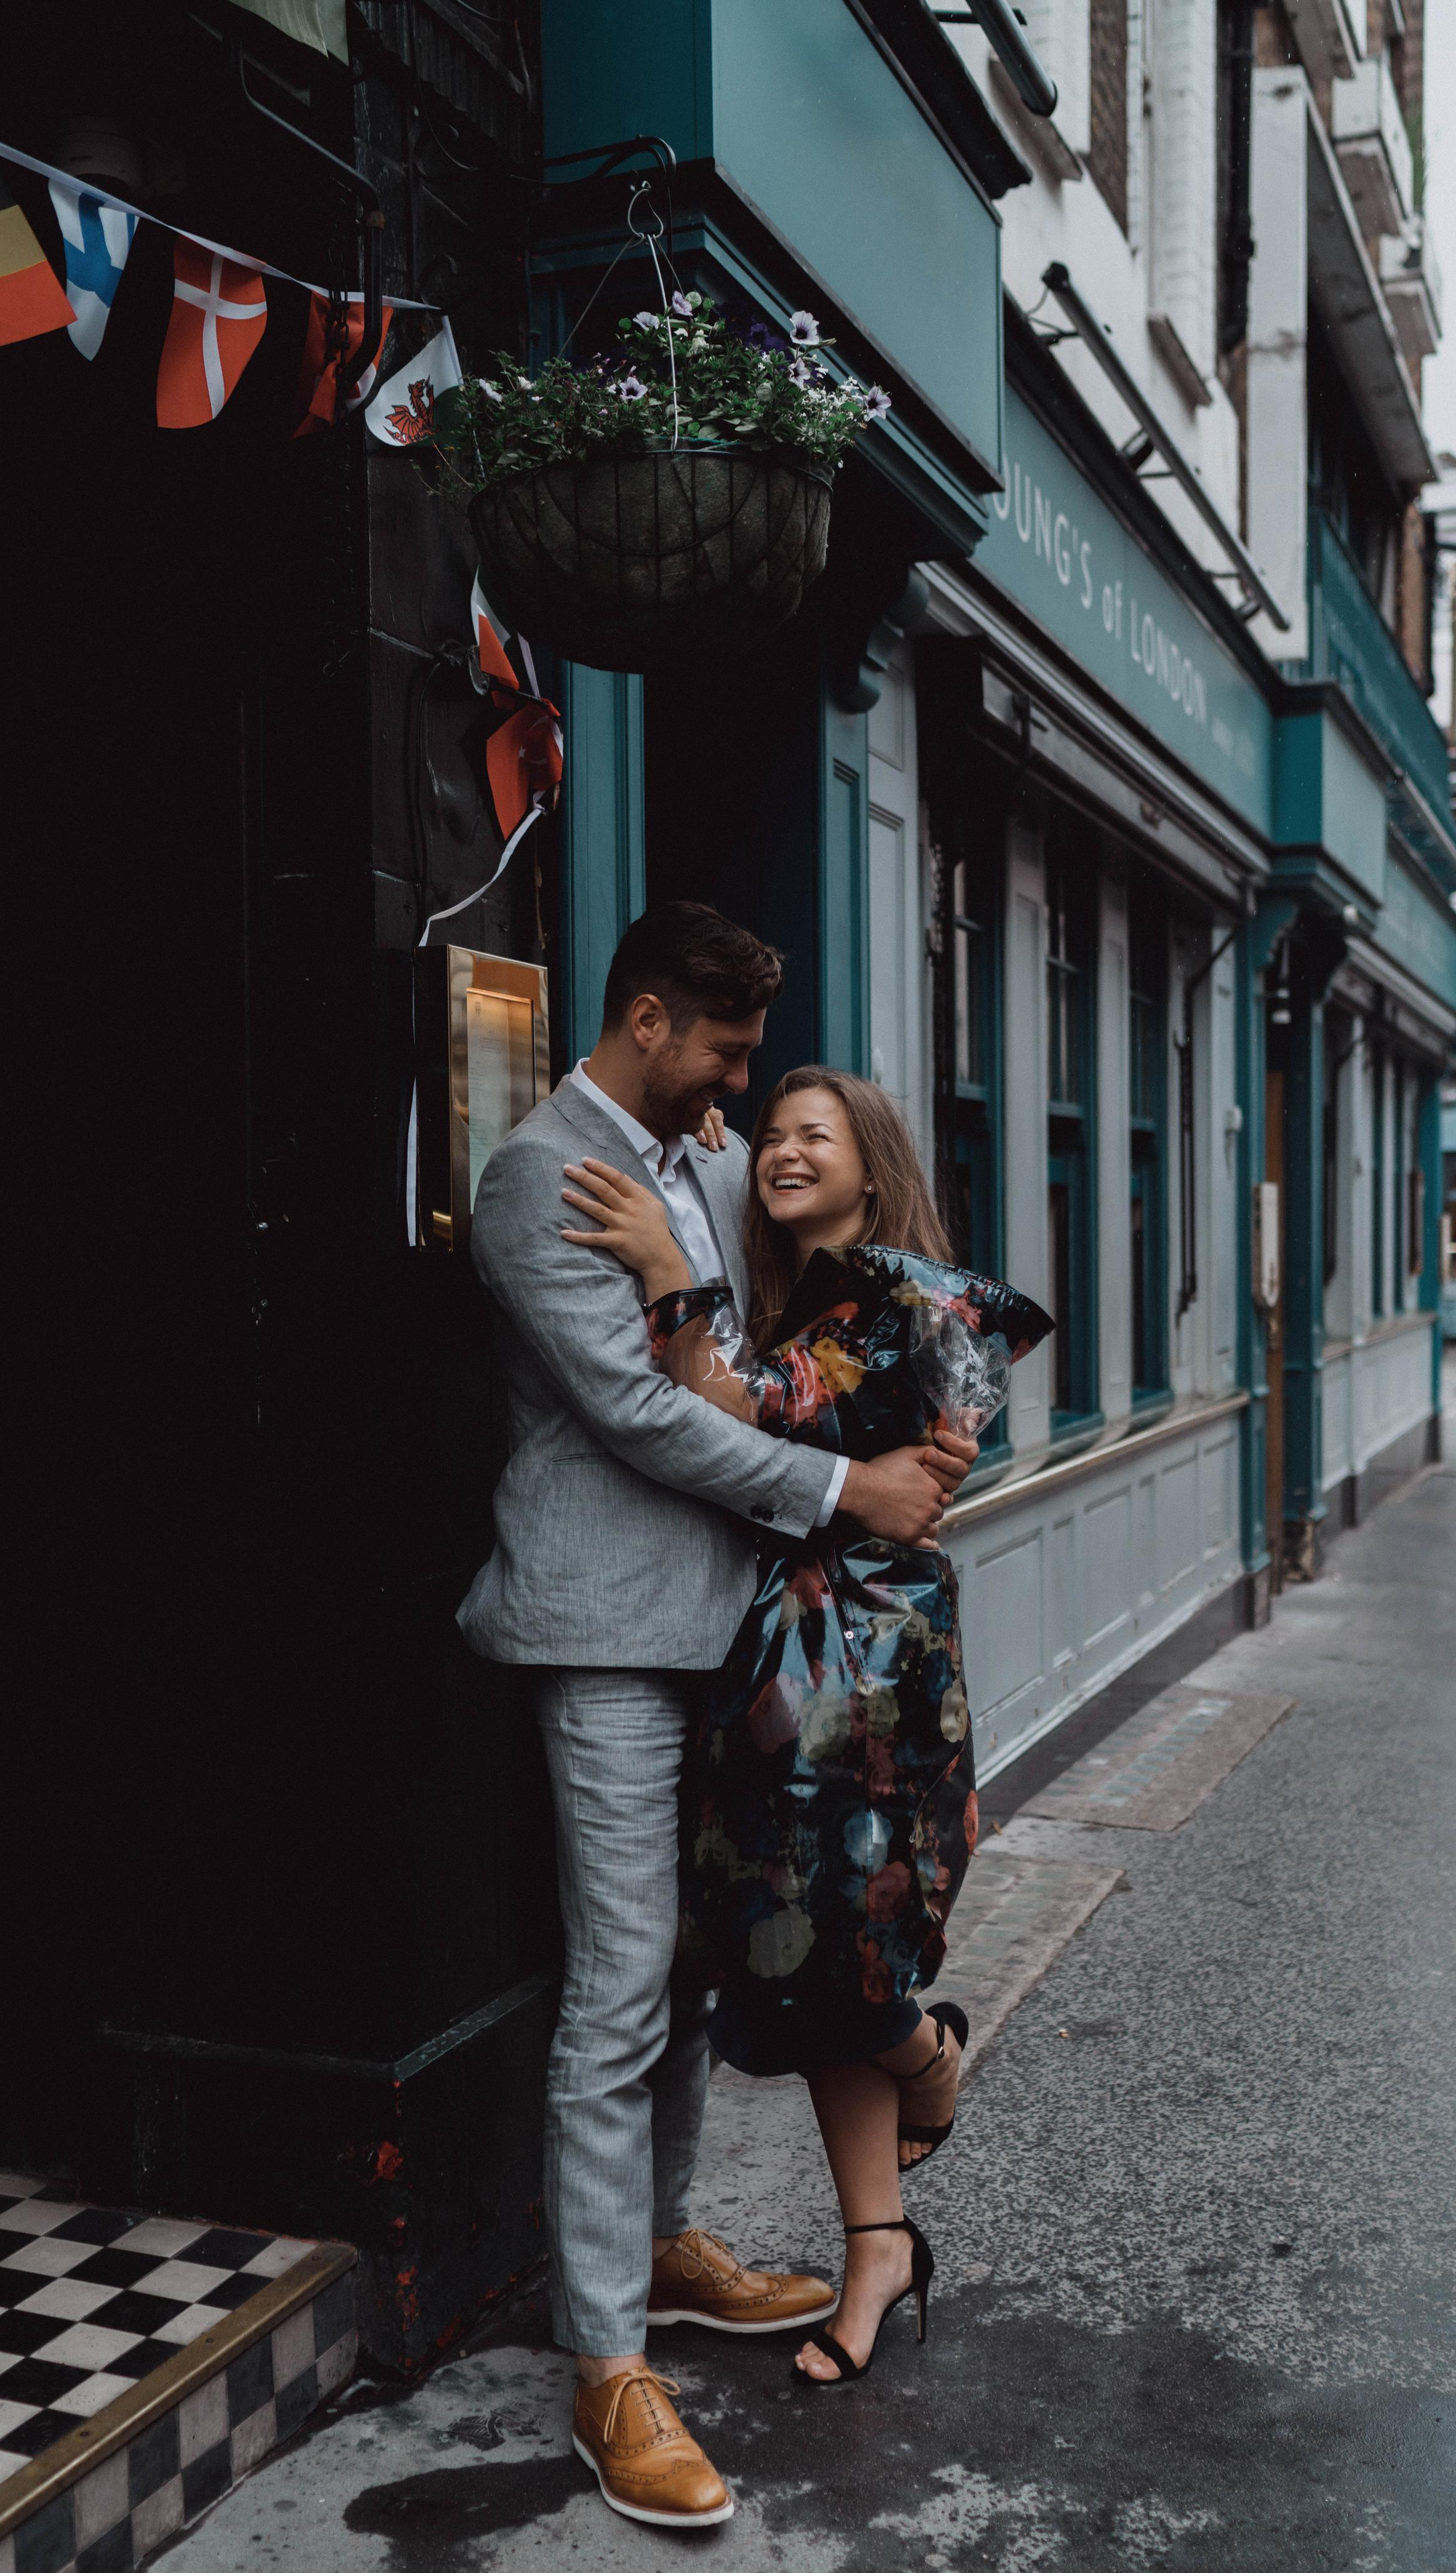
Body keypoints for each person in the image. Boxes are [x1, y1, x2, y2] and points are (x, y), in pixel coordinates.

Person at [457, 908, 975, 2523]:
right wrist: (847, 1483)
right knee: (616, 1985)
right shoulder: (542, 1175)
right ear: (646, 1017)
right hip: (610, 1634)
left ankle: (667, 2237)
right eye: (728, 1055)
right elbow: (630, 1412)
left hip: (737, 1632)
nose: (744, 1095)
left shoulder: (694, 1150)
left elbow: (736, 1353)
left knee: (685, 1969)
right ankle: (607, 2361)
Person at [560, 1064, 1046, 2388]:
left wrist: (664, 1253)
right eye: (766, 1132)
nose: (779, 1148)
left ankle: (926, 2055)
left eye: (809, 1134)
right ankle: (876, 2242)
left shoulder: (892, 1296)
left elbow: (721, 1402)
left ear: (871, 1159)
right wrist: (712, 1167)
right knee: (830, 1935)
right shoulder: (832, 1298)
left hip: (856, 1672)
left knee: (834, 1935)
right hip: (812, 1656)